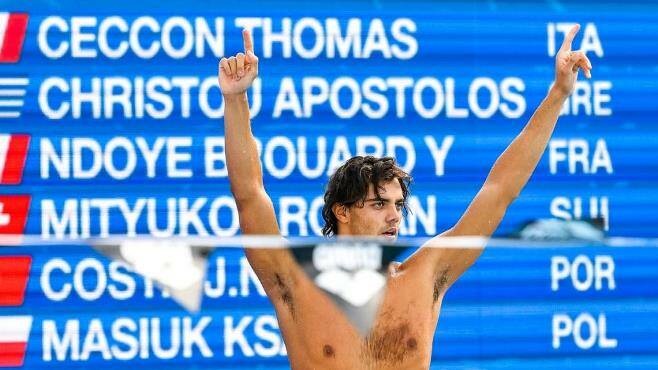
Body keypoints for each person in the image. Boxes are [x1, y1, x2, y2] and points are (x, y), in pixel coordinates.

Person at [219, 26, 592, 369]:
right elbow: (250, 196)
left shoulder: (424, 276)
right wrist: (236, 100)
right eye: (379, 204)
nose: (394, 217)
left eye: (398, 205)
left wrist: (557, 96)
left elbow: (499, 191)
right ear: (341, 212)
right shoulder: (297, 283)